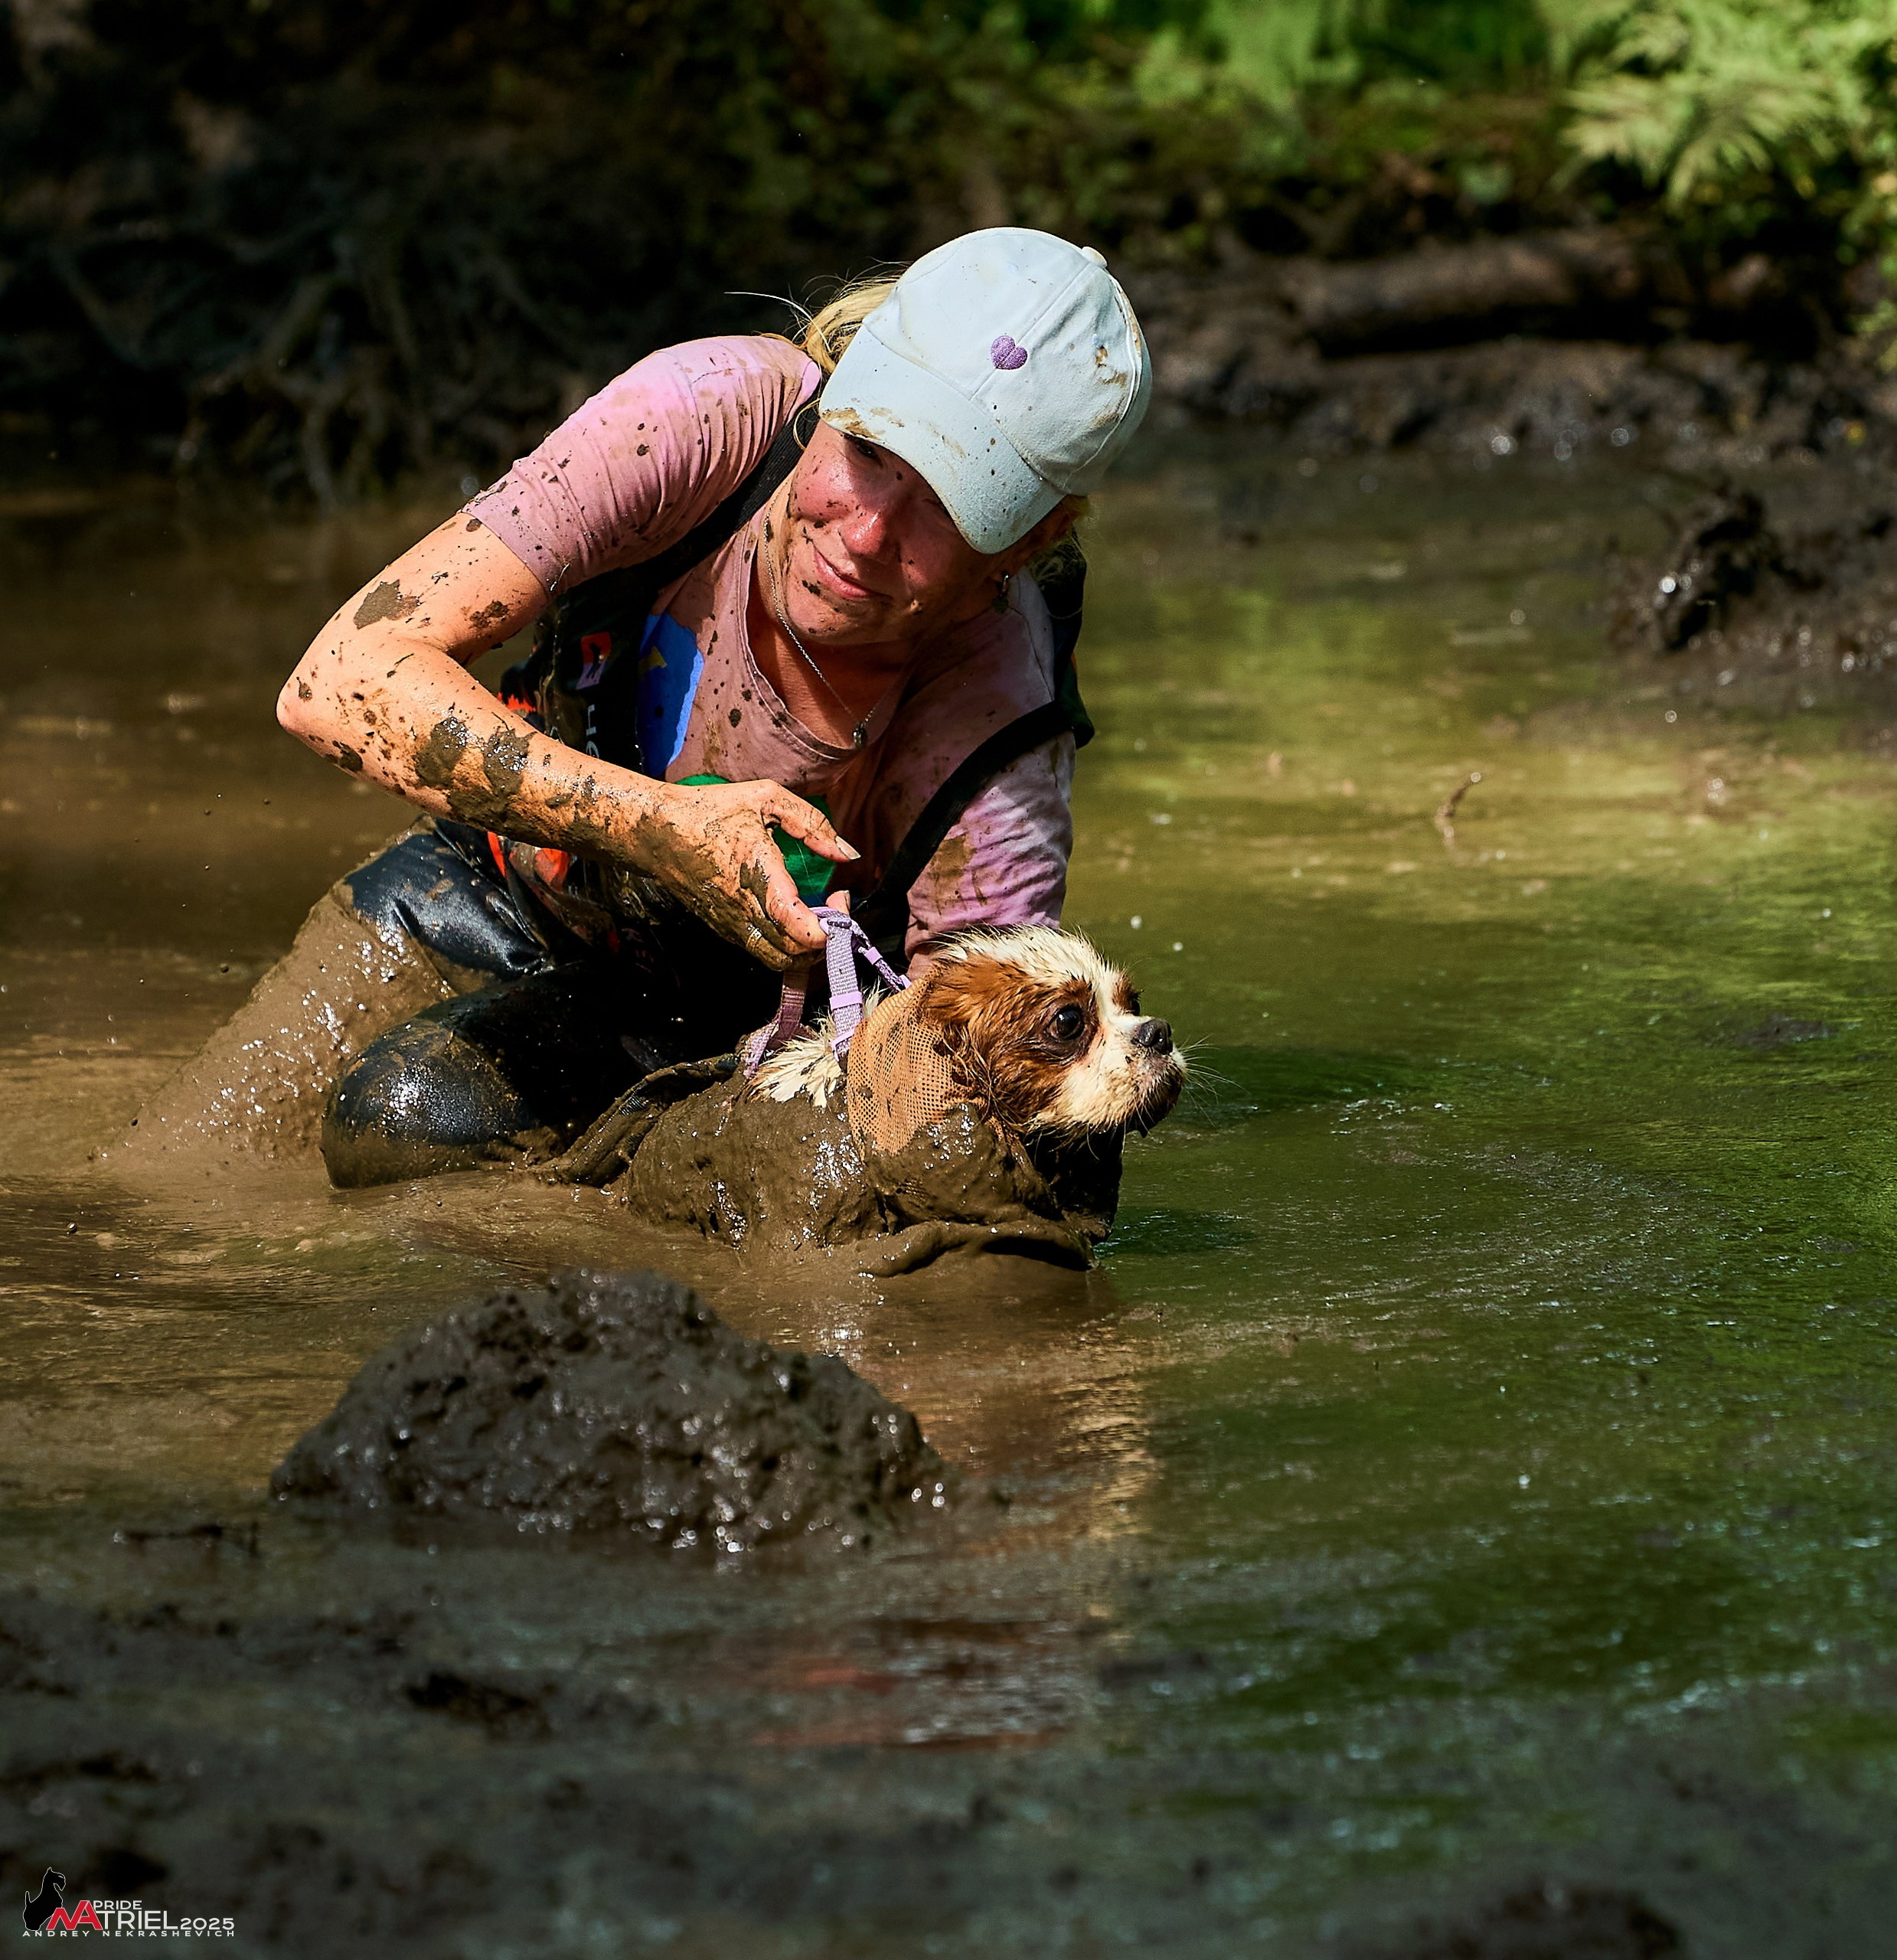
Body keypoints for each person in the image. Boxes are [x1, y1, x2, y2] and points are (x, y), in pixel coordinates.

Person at [275, 227, 1152, 1187]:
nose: (865, 534)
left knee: (409, 1118)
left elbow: (971, 1103)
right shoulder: (701, 421)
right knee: (199, 1169)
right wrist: (658, 827)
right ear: (838, 385)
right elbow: (340, 681)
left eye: (948, 505)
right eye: (867, 450)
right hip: (491, 879)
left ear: (1029, 540)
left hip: (727, 1033)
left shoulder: (1000, 726)